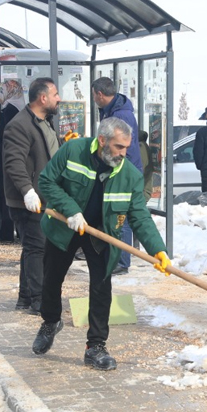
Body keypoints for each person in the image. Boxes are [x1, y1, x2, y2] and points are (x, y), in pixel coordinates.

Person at [32, 117, 171, 371]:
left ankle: (95, 346)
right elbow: (46, 181)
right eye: (119, 147)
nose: (123, 154)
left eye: (126, 148)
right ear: (102, 141)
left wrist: (158, 249)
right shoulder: (73, 151)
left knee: (101, 287)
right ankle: (50, 321)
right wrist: (71, 210)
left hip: (102, 231)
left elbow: (139, 214)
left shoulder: (129, 175)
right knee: (51, 278)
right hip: (65, 225)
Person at [2, 77, 61, 314]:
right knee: (38, 249)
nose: (59, 99)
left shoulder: (44, 122)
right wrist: (27, 191)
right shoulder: (20, 125)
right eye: (55, 94)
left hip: (43, 197)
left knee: (32, 248)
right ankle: (38, 299)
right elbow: (13, 162)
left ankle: (25, 297)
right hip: (28, 200)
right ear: (43, 98)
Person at [92, 77, 142, 275]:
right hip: (120, 167)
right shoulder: (115, 110)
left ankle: (122, 260)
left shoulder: (120, 115)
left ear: (100, 94)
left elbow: (124, 148)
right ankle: (116, 256)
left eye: (95, 95)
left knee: (123, 215)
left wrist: (118, 168)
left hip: (123, 169)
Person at [0, 80, 25, 243]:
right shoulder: (19, 109)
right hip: (12, 157)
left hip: (6, 158)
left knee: (6, 195)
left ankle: (6, 233)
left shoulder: (9, 111)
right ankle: (17, 232)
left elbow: (4, 137)